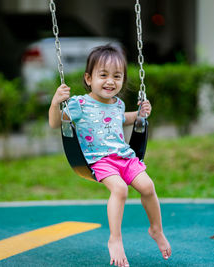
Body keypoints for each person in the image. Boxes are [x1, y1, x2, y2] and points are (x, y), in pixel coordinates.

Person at [48, 45, 171, 267]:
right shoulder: (79, 104)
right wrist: (56, 102)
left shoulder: (118, 104)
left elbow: (121, 119)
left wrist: (140, 114)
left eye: (117, 76)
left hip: (124, 157)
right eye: (103, 75)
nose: (110, 81)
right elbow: (55, 123)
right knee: (120, 189)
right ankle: (115, 239)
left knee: (148, 187)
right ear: (88, 78)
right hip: (99, 160)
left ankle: (156, 229)